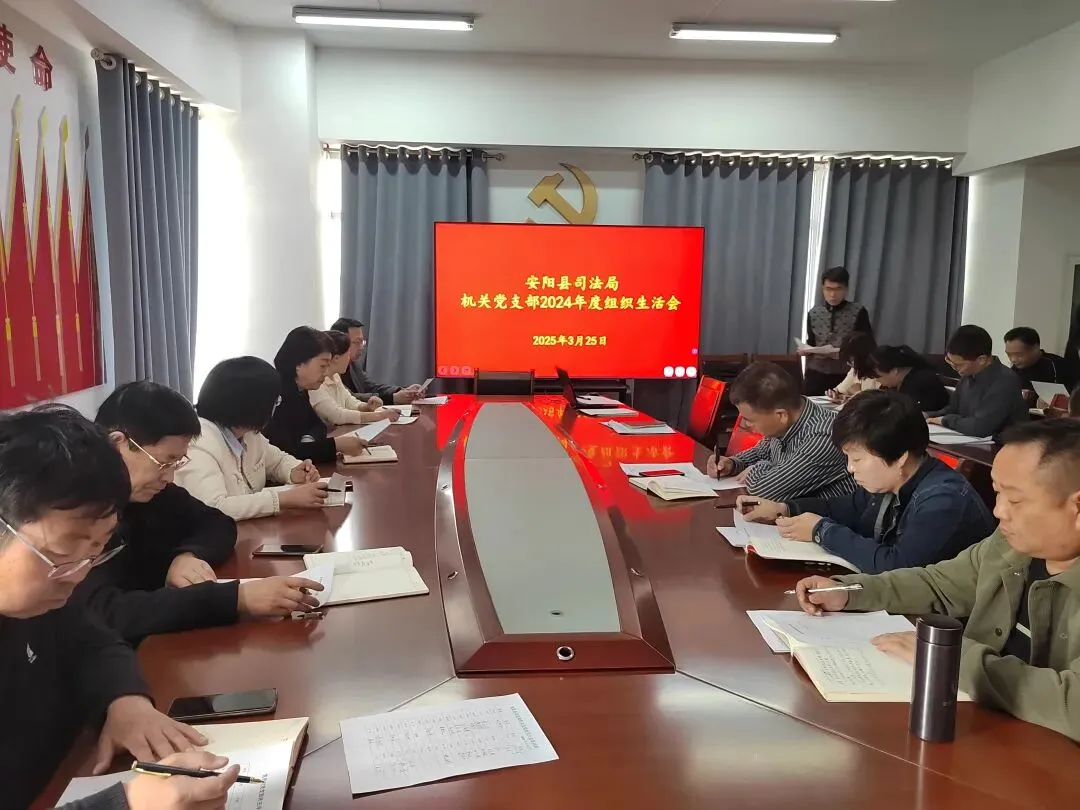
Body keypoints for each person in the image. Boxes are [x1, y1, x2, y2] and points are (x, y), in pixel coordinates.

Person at [793, 419, 1080, 743]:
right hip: (977, 725)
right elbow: (939, 583)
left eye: (1015, 500)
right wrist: (850, 591)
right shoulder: (1007, 545)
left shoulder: (947, 499)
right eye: (997, 493)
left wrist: (950, 660)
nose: (999, 511)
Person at [0, 404, 227, 809]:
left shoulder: (41, 600)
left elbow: (93, 640)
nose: (78, 575)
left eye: (97, 549)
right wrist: (127, 803)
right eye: (62, 552)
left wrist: (125, 701)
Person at [69, 381, 323, 644]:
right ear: (117, 444)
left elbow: (218, 522)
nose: (169, 477)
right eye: (164, 462)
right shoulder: (76, 510)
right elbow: (107, 612)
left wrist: (184, 556)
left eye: (176, 463)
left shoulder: (151, 492)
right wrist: (237, 599)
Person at [738, 390, 996, 574]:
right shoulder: (893, 482)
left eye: (857, 459)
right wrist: (785, 508)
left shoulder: (943, 501)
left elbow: (897, 567)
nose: (850, 468)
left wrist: (821, 531)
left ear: (899, 457)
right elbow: (847, 507)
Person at [175, 356, 330, 520]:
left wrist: (293, 471)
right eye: (274, 401)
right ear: (253, 405)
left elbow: (277, 461)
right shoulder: (198, 443)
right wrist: (282, 499)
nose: (275, 407)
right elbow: (214, 507)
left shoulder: (248, 433)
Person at [708, 362, 855, 501]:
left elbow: (765, 489)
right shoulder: (785, 424)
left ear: (781, 415)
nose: (745, 425)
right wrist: (732, 463)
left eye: (750, 419)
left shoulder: (825, 435)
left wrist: (760, 467)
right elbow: (761, 452)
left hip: (828, 517)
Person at [264, 326, 372, 463]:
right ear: (299, 364)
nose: (326, 373)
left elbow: (318, 425)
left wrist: (308, 440)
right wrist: (336, 446)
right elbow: (286, 450)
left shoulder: (300, 389)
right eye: (322, 366)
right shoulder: (275, 394)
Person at [926, 325, 1028, 437]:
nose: (955, 369)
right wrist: (928, 415)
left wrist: (945, 420)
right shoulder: (968, 374)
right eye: (951, 363)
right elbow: (953, 409)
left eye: (959, 365)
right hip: (968, 439)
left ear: (981, 360)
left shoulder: (1005, 380)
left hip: (1002, 443)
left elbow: (980, 427)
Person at [801, 266, 874, 396]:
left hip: (846, 374)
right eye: (828, 289)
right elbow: (812, 342)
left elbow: (866, 345)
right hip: (816, 374)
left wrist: (839, 352)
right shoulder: (814, 313)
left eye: (838, 289)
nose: (832, 295)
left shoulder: (858, 312)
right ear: (822, 288)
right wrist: (806, 349)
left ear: (845, 289)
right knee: (812, 404)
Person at [311, 331, 401, 427]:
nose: (349, 358)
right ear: (336, 358)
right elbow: (337, 415)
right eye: (348, 354)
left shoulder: (335, 376)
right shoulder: (314, 382)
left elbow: (348, 401)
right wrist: (380, 416)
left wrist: (366, 406)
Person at [330, 317, 422, 405]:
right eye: (357, 342)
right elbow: (350, 398)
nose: (361, 348)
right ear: (340, 342)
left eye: (362, 342)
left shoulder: (353, 365)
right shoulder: (329, 369)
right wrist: (393, 398)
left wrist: (403, 390)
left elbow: (373, 388)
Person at [871, 344, 950, 412]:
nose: (877, 380)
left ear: (894, 371)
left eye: (879, 376)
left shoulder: (922, 382)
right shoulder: (895, 384)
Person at [1004, 326, 1074, 395]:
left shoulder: (1055, 365)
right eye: (1009, 354)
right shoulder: (1014, 370)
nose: (1013, 359)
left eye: (1019, 354)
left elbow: (1064, 397)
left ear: (1035, 348)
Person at [829, 331, 880, 402]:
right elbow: (842, 389)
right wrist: (835, 393)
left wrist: (857, 396)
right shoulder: (855, 370)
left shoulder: (881, 374)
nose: (848, 364)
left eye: (851, 360)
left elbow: (877, 402)